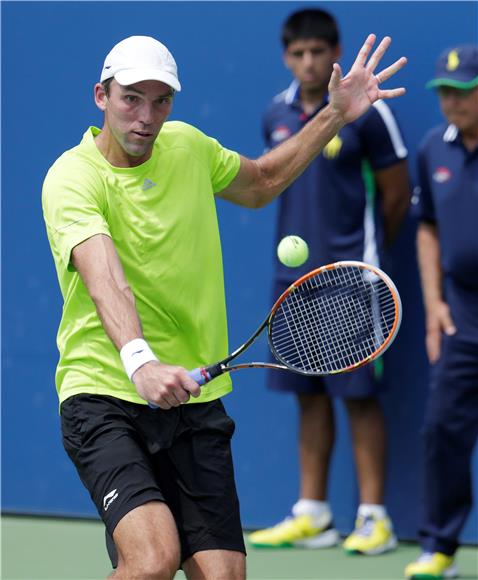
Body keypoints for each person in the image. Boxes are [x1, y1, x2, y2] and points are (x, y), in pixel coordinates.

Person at [42, 33, 406, 579]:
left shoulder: (187, 147)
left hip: (194, 399)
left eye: (160, 100)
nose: (146, 115)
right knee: (152, 559)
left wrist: (333, 115)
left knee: (224, 575)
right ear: (101, 96)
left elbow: (262, 183)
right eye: (130, 98)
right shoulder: (72, 177)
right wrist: (140, 361)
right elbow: (104, 278)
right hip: (105, 395)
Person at [248, 8, 410, 556]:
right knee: (307, 396)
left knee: (359, 398)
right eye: (299, 54)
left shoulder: (367, 113)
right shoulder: (275, 112)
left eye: (319, 51)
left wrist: (362, 257)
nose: (310, 62)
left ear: (335, 50)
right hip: (293, 284)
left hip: (352, 280)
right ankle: (313, 514)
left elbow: (394, 194)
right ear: (286, 56)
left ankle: (374, 518)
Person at [404, 45, 478, 580]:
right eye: (445, 92)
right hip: (461, 314)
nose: (452, 101)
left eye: (463, 90)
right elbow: (426, 226)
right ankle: (440, 550)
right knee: (441, 431)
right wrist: (433, 303)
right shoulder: (433, 149)